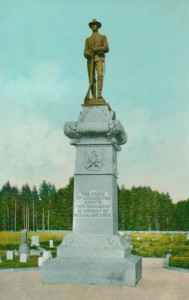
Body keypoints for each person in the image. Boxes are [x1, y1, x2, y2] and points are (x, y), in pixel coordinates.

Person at [84, 19, 109, 99]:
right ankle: (93, 96)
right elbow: (85, 51)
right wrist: (88, 54)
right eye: (92, 25)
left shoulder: (102, 37)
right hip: (90, 60)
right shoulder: (88, 39)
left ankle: (99, 94)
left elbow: (106, 48)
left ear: (98, 26)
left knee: (100, 75)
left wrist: (96, 49)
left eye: (95, 25)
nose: (93, 26)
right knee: (91, 78)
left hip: (99, 58)